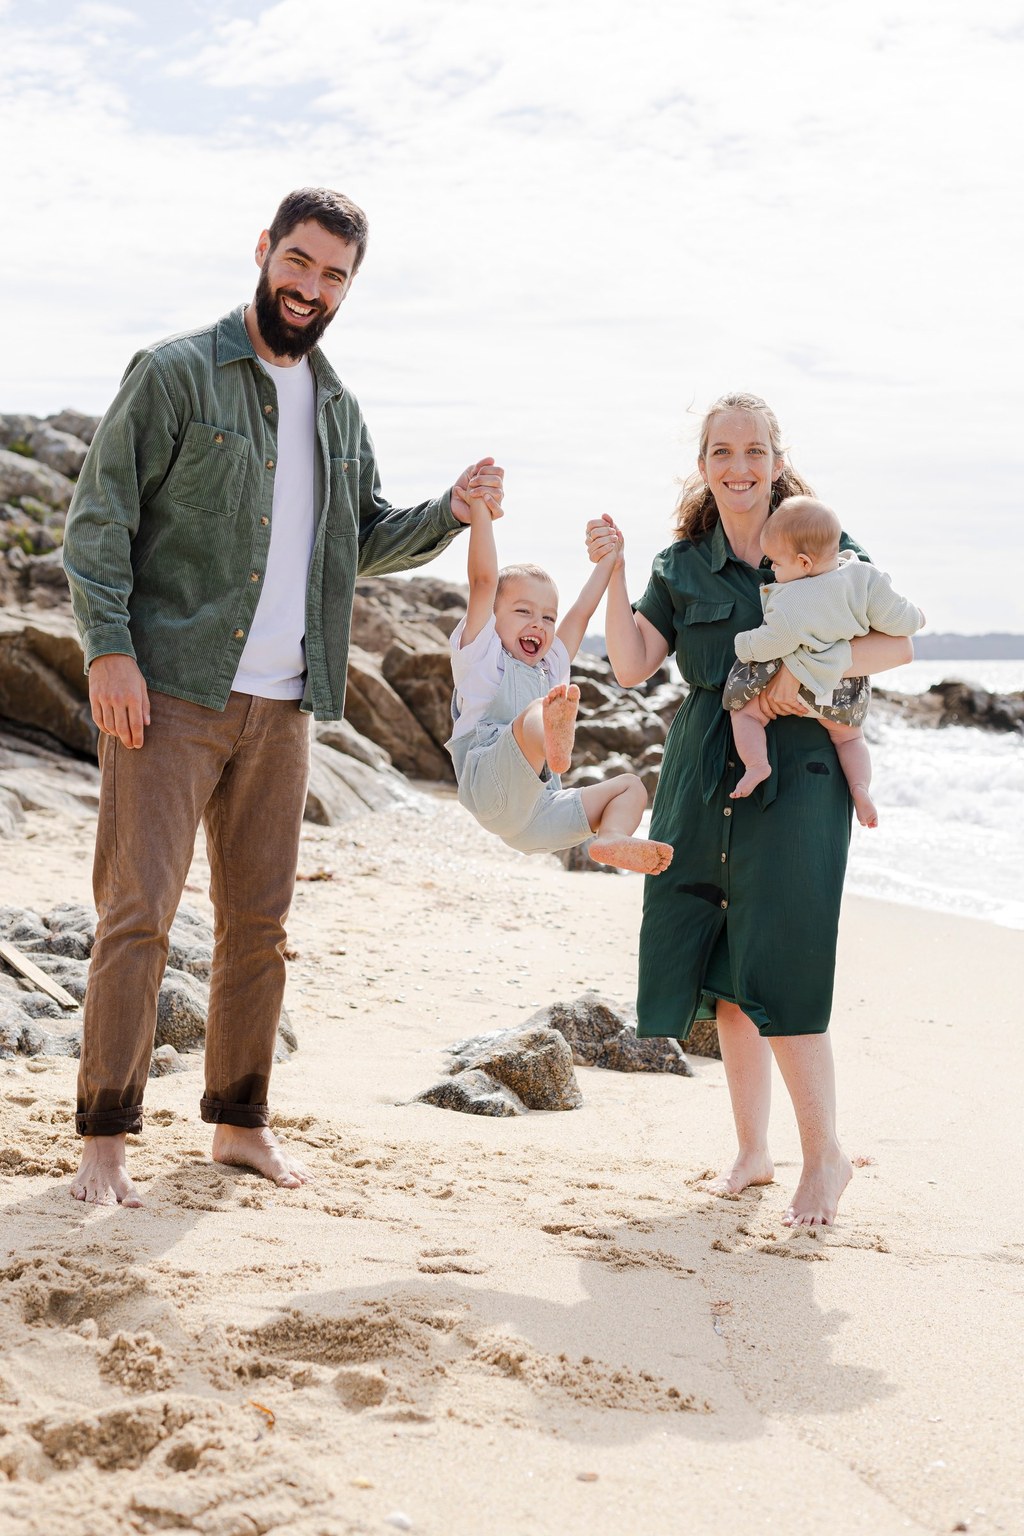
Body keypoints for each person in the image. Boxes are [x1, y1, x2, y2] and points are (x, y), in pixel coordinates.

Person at [62, 187, 504, 1207]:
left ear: (349, 286)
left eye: (333, 275)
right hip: (170, 693)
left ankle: (238, 1122)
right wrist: (108, 652)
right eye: (298, 262)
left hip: (286, 705)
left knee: (258, 926)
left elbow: (361, 537)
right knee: (137, 916)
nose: (310, 287)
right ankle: (105, 1142)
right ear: (264, 251)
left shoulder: (337, 407)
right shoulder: (175, 371)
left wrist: (450, 511)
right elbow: (98, 519)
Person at [588, 392, 913, 1226]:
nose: (740, 467)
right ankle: (751, 1151)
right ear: (703, 466)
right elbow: (630, 665)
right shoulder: (680, 566)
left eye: (755, 451)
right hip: (703, 765)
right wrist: (615, 573)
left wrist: (798, 674)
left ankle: (826, 1157)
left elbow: (898, 644)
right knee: (727, 969)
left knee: (785, 957)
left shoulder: (819, 540)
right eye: (723, 452)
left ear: (777, 459)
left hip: (801, 766)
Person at [446, 494, 673, 874]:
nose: (538, 623)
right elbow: (483, 581)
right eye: (523, 611)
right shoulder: (482, 657)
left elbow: (582, 611)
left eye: (548, 618)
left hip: (539, 816)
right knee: (542, 708)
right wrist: (481, 510)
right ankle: (553, 742)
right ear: (492, 618)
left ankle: (611, 837)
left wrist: (610, 560)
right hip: (489, 784)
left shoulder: (550, 667)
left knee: (631, 787)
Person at [725, 495, 925, 825]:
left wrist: (743, 645)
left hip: (803, 688)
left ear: (804, 563)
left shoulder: (792, 600)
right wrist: (917, 617)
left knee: (745, 713)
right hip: (845, 690)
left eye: (777, 563)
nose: (772, 569)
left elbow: (771, 643)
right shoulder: (864, 576)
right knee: (851, 738)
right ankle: (860, 788)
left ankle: (757, 764)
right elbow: (898, 618)